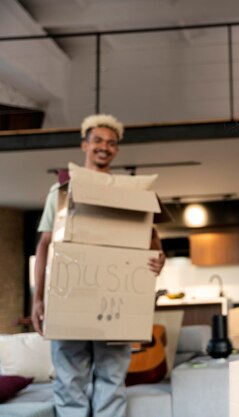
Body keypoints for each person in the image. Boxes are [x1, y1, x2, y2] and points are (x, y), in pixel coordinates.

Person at [31, 114, 166, 417]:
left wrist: (160, 257)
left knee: (112, 381)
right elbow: (44, 245)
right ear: (85, 145)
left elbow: (153, 239)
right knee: (69, 383)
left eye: (111, 143)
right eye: (98, 141)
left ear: (116, 150)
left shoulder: (130, 194)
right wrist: (37, 299)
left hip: (114, 303)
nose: (104, 147)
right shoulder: (62, 191)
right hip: (70, 300)